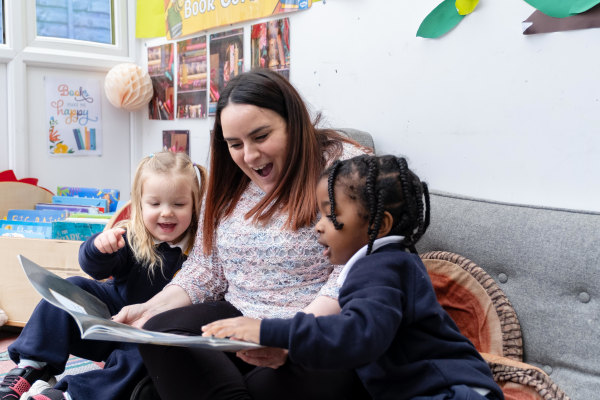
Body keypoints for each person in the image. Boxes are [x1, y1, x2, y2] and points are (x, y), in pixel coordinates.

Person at [112, 69, 372, 400]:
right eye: (235, 144)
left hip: (313, 329)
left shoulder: (346, 167)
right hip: (238, 317)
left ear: (293, 121)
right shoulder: (229, 179)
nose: (248, 156)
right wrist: (151, 307)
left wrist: (286, 336)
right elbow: (207, 268)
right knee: (159, 332)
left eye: (261, 136)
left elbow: (357, 268)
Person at [203, 154, 505, 400]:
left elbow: (359, 335)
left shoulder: (379, 269)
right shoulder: (389, 262)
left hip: (448, 391)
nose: (319, 227)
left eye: (332, 217)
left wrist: (267, 330)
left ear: (379, 225)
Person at [0, 151, 205, 400]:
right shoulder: (131, 237)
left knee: (149, 354)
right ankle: (34, 366)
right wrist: (99, 247)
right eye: (155, 204)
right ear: (140, 204)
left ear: (196, 205)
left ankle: (71, 395)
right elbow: (94, 268)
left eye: (178, 204)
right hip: (113, 322)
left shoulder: (200, 250)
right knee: (71, 287)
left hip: (151, 336)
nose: (166, 213)